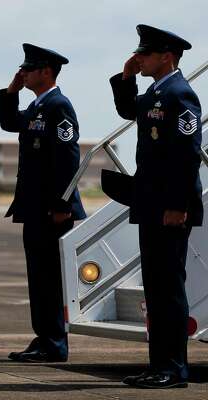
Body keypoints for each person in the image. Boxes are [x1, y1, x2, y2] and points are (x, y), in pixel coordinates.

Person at [110, 24, 202, 389]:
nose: (139, 58)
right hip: (150, 204)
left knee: (169, 289)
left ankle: (174, 367)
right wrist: (126, 76)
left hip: (170, 207)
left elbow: (187, 155)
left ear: (167, 56)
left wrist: (178, 205)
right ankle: (157, 364)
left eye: (145, 55)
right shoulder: (155, 93)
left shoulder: (181, 95)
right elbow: (127, 110)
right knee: (156, 289)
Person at [0, 43, 86, 363]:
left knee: (49, 278)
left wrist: (63, 204)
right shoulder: (38, 106)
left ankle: (55, 342)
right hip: (34, 207)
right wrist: (12, 90)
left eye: (29, 69)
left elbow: (67, 159)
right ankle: (45, 337)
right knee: (39, 277)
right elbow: (10, 123)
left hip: (52, 210)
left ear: (46, 72)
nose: (23, 73)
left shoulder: (59, 106)